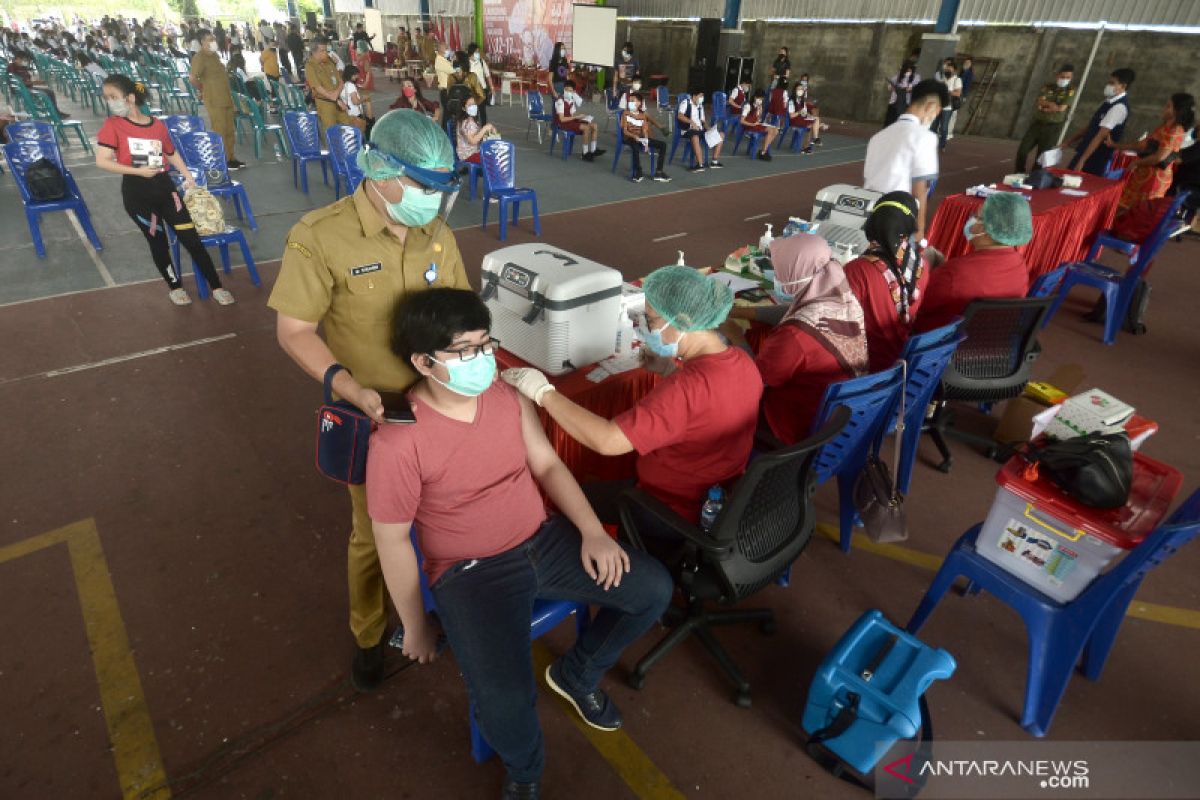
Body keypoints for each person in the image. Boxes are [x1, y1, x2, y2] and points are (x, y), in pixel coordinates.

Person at [369, 288, 672, 800]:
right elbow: (392, 539)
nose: (483, 360)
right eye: (466, 351)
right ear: (424, 361)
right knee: (505, 699)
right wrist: (416, 627)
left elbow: (549, 465)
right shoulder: (399, 441)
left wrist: (593, 533)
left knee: (652, 589)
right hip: (473, 572)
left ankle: (577, 674)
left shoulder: (504, 397)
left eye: (486, 344)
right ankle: (526, 772)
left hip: (544, 540)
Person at [268, 110, 471, 693]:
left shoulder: (438, 232)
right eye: (422, 186)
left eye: (440, 188)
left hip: (438, 403)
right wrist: (349, 386)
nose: (432, 200)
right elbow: (295, 331)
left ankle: (438, 606)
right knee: (374, 532)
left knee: (444, 516)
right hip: (372, 414)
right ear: (380, 170)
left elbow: (458, 310)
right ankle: (368, 632)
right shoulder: (321, 235)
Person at [502, 265, 763, 542]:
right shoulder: (742, 362)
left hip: (669, 507)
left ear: (682, 321)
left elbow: (607, 441)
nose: (647, 328)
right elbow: (709, 408)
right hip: (719, 490)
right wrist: (668, 369)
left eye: (651, 321)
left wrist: (544, 392)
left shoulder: (685, 390)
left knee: (566, 503)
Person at [95, 74, 234, 306]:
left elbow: (170, 152)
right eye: (106, 98)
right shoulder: (112, 125)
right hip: (137, 193)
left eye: (113, 97)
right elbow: (102, 161)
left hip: (165, 188)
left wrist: (187, 175)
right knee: (157, 242)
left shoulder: (157, 125)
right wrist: (138, 172)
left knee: (191, 239)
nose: (110, 102)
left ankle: (216, 285)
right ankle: (175, 286)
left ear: (130, 98)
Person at [726, 235, 868, 447]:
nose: (778, 276)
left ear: (796, 274)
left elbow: (754, 380)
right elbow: (798, 310)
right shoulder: (844, 298)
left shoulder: (795, 336)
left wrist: (736, 336)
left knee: (723, 399)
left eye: (781, 271)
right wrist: (747, 311)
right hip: (839, 414)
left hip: (795, 425)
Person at [913, 192, 1033, 334]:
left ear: (984, 229)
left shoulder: (955, 273)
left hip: (938, 344)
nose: (971, 219)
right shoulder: (1018, 264)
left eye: (975, 216)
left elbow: (918, 303)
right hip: (989, 341)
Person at [843, 192, 931, 371]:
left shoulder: (858, 270)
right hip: (903, 365)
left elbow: (839, 323)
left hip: (869, 370)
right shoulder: (921, 265)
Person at [863, 79, 947, 239]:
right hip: (898, 215)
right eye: (935, 114)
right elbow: (919, 190)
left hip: (870, 211)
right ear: (930, 107)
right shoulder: (925, 138)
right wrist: (920, 230)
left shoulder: (878, 137)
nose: (933, 118)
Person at [1112, 93, 1194, 214]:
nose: (1164, 109)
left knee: (1139, 212)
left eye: (1168, 106)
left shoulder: (1176, 130)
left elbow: (1159, 157)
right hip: (1143, 173)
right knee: (1125, 206)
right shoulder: (1163, 127)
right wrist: (1116, 145)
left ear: (1177, 111)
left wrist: (1136, 162)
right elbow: (1142, 144)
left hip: (1155, 178)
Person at [1065, 68, 1135, 176]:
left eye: (1112, 83)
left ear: (1123, 86)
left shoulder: (1119, 107)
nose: (1108, 86)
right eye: (1109, 82)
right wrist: (1068, 142)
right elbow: (1090, 126)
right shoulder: (1108, 101)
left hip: (1095, 157)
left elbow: (1100, 135)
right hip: (1085, 150)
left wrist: (1082, 160)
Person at [189, 31, 244, 170]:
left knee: (229, 131)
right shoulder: (199, 57)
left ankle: (231, 157)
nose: (214, 41)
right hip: (214, 99)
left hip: (225, 97)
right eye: (210, 39)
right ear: (202, 42)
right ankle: (222, 160)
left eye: (214, 38)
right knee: (220, 130)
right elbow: (193, 78)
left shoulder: (215, 56)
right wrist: (203, 89)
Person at [1014, 65, 1075, 173]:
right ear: (1057, 76)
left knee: (1042, 155)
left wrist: (1046, 107)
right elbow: (1039, 102)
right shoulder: (1047, 87)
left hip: (1053, 127)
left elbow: (1061, 108)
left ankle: (1034, 176)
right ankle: (1019, 172)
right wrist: (1051, 105)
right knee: (1023, 150)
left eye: (1068, 77)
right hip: (1037, 124)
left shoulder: (1070, 91)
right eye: (1063, 76)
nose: (1065, 79)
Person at [307, 38, 355, 144]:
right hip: (325, 104)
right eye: (323, 51)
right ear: (315, 52)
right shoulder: (310, 66)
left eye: (326, 50)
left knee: (348, 128)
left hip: (338, 100)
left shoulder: (329, 61)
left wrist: (336, 97)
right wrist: (334, 97)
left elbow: (341, 81)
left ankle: (348, 154)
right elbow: (319, 89)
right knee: (332, 133)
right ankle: (334, 157)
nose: (326, 53)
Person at [620, 91, 668, 181]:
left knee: (663, 145)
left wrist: (646, 142)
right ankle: (638, 171)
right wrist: (634, 137)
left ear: (639, 103)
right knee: (635, 146)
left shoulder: (642, 115)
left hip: (640, 138)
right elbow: (625, 131)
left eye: (632, 100)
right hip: (629, 137)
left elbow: (645, 130)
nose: (630, 102)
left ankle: (659, 172)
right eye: (629, 101)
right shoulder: (625, 113)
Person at [7, 51, 70, 117]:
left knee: (49, 92)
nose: (25, 61)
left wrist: (35, 82)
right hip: (22, 90)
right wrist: (35, 82)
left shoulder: (21, 66)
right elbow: (20, 82)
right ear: (17, 59)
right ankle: (55, 113)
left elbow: (26, 79)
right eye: (23, 60)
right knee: (49, 93)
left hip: (25, 88)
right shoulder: (12, 67)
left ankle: (54, 111)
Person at [555, 82, 605, 162]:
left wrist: (582, 117)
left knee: (594, 125)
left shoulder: (571, 100)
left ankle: (593, 150)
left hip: (571, 120)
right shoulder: (560, 101)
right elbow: (561, 119)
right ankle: (584, 154)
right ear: (564, 90)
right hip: (564, 123)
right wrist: (576, 117)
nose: (569, 92)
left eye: (571, 91)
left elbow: (573, 113)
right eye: (567, 90)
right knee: (586, 128)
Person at [675, 88, 723, 171]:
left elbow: (703, 121)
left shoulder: (700, 106)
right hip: (688, 130)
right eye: (700, 96)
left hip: (700, 130)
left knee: (721, 135)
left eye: (702, 96)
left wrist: (708, 128)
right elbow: (680, 116)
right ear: (694, 96)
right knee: (695, 136)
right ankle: (700, 165)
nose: (702, 98)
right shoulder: (685, 103)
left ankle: (714, 161)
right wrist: (691, 122)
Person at [739, 89, 779, 161]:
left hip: (756, 125)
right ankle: (763, 152)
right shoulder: (748, 106)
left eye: (761, 99)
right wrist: (752, 124)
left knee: (775, 130)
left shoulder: (758, 106)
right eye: (759, 98)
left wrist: (760, 111)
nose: (760, 100)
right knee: (770, 131)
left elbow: (758, 119)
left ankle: (763, 150)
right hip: (749, 126)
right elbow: (742, 121)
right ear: (755, 97)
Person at [787, 76, 824, 153]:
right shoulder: (791, 101)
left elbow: (804, 112)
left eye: (802, 89)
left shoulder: (802, 100)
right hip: (794, 120)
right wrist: (799, 112)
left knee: (816, 119)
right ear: (795, 90)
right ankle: (807, 145)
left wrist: (809, 115)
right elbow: (791, 116)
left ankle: (813, 140)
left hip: (801, 118)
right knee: (811, 125)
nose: (800, 91)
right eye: (799, 89)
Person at [455, 98, 497, 164]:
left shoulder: (467, 120)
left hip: (469, 153)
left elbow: (477, 135)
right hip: (468, 155)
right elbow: (473, 141)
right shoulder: (468, 123)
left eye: (474, 104)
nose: (473, 106)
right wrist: (485, 129)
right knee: (494, 158)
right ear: (463, 108)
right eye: (470, 105)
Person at [932, 59, 961, 150]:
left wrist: (947, 91)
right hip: (937, 105)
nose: (947, 70)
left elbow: (958, 93)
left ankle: (942, 145)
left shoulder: (957, 79)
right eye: (946, 68)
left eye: (950, 68)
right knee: (933, 126)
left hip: (947, 107)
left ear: (954, 70)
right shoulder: (942, 77)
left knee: (944, 128)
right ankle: (930, 144)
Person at [884, 62, 920, 127]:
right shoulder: (899, 75)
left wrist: (908, 88)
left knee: (900, 120)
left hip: (905, 102)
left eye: (910, 70)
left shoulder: (916, 77)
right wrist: (892, 88)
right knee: (890, 120)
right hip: (895, 101)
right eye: (907, 70)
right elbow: (890, 86)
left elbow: (915, 87)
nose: (908, 72)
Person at [339, 65, 371, 134]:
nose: (357, 76)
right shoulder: (351, 85)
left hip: (348, 113)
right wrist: (363, 99)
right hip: (356, 113)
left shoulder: (342, 84)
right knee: (361, 133)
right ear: (351, 74)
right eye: (356, 74)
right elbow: (355, 102)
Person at [465, 43, 491, 124]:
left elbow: (487, 75)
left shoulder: (481, 61)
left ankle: (483, 128)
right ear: (471, 52)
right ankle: (473, 127)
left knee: (482, 111)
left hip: (482, 90)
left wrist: (492, 87)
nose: (478, 53)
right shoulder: (466, 63)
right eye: (476, 52)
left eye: (478, 52)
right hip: (471, 91)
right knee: (472, 111)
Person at [352, 40, 376, 119]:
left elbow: (368, 72)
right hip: (361, 82)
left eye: (358, 47)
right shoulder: (361, 57)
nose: (357, 49)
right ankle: (368, 117)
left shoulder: (365, 59)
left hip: (364, 83)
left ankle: (370, 118)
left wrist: (365, 83)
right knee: (365, 100)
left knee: (367, 100)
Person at [434, 45, 455, 115]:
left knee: (449, 113)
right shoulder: (440, 61)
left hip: (448, 89)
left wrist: (451, 59)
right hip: (446, 90)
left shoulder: (444, 59)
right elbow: (452, 71)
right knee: (447, 113)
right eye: (446, 48)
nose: (448, 50)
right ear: (441, 50)